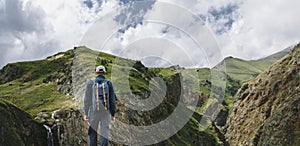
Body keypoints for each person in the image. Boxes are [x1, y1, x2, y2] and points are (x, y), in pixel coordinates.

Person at [84, 65, 116, 146]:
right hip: (106, 112)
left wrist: (86, 113)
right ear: (104, 73)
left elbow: (87, 100)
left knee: (92, 133)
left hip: (94, 112)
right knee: (104, 133)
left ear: (96, 73)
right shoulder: (108, 84)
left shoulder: (90, 83)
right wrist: (113, 114)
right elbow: (112, 100)